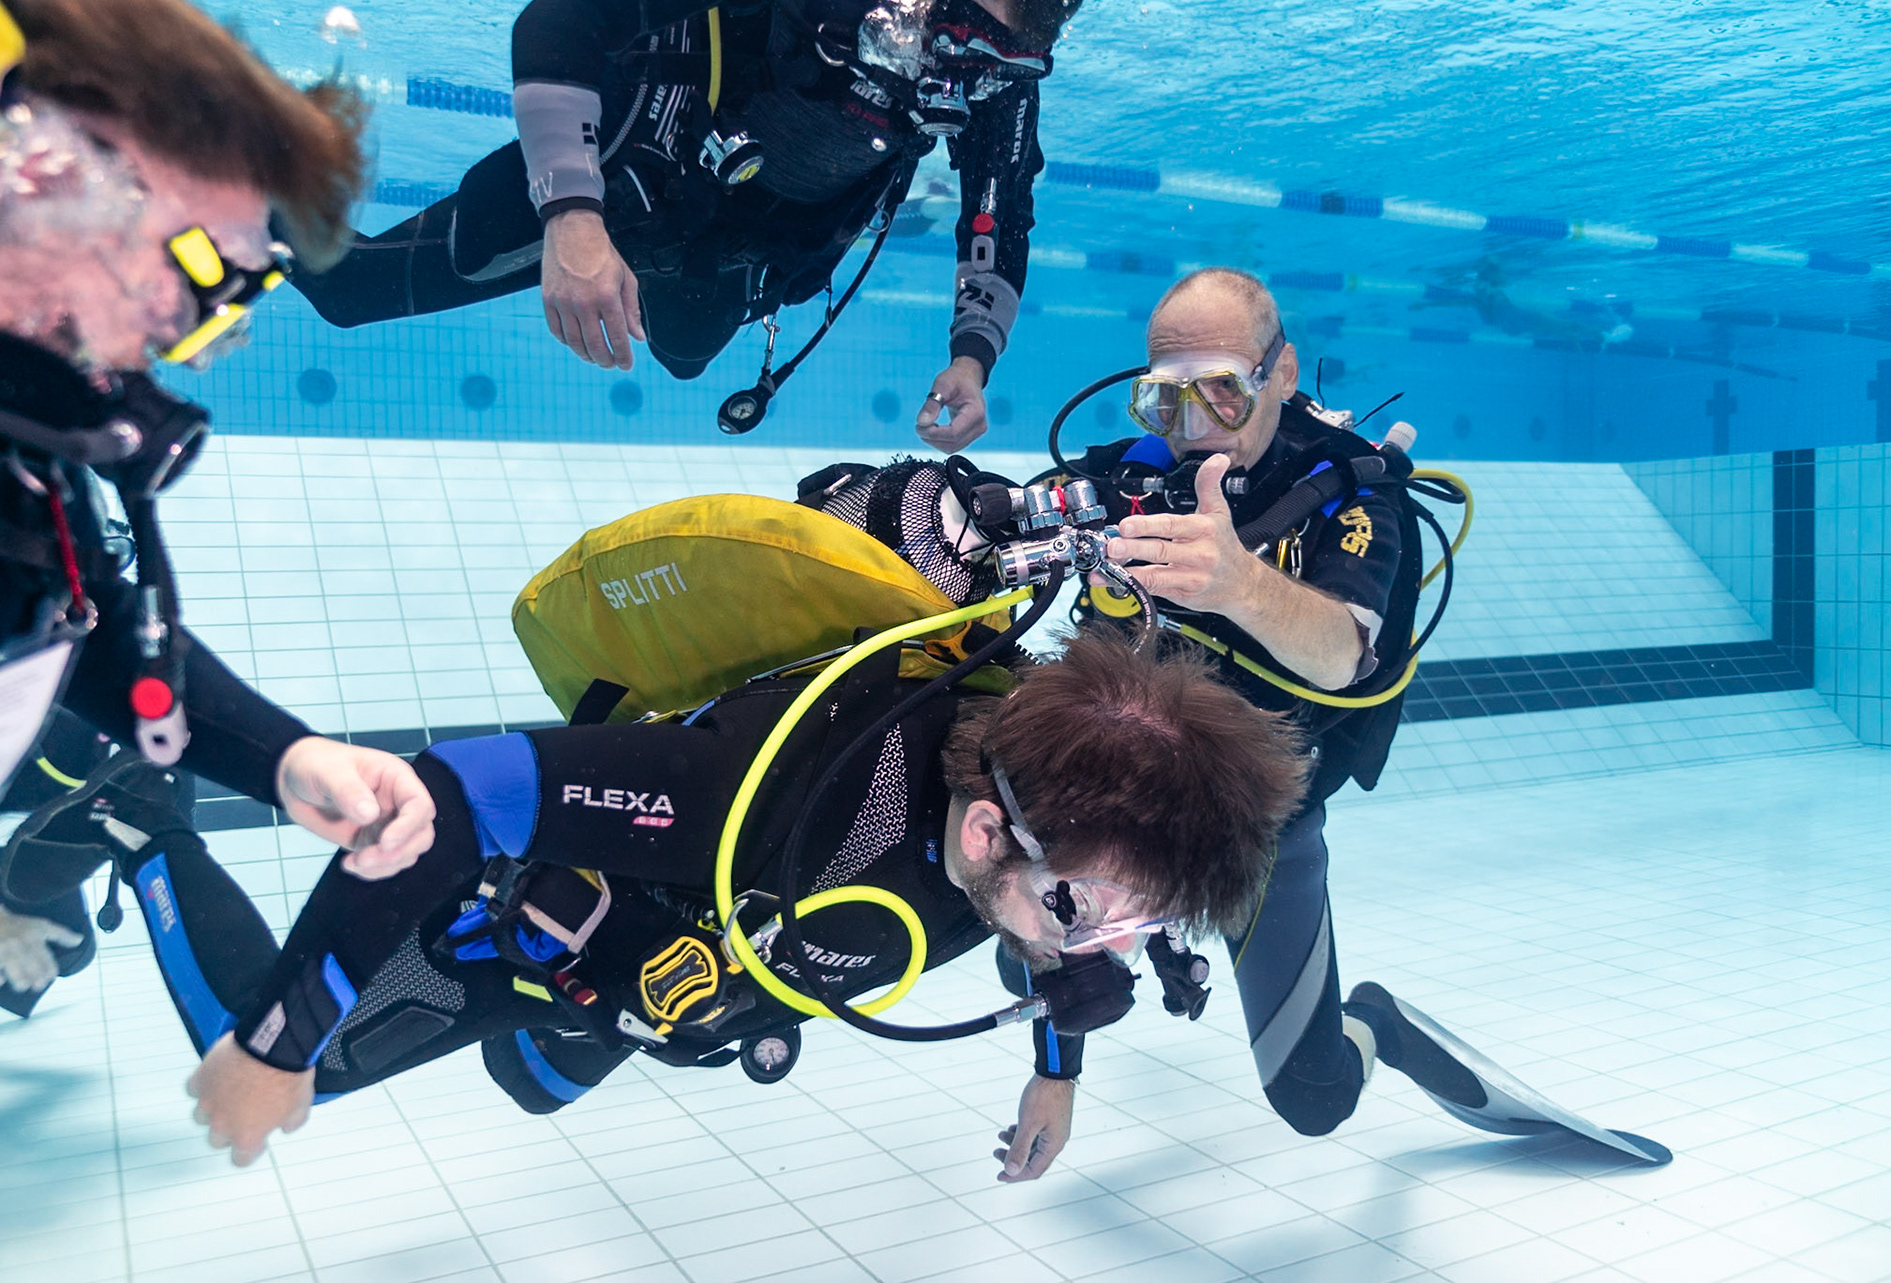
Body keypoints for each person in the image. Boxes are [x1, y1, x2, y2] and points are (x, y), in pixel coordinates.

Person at [0, 628, 1310, 1170]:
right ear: (983, 826)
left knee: (535, 1082)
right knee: (255, 1042)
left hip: (659, 990)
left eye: (1138, 926)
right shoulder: (764, 788)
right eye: (1090, 917)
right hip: (520, 929)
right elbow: (455, 791)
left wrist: (1056, 1063)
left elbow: (1065, 897)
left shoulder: (1036, 811)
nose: (1101, 947)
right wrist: (283, 1040)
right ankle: (139, 816)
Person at [0, 0, 437, 1012]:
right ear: (48, 167)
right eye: (194, 277)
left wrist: (290, 757)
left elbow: (95, 624)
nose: (176, 344)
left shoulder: (29, 454)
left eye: (222, 314)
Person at [1032, 267, 1472, 1147]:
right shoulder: (1125, 480)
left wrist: (1237, 583)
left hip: (1265, 813)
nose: (1193, 427)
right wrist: (1053, 1074)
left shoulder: (1349, 485)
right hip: (1139, 797)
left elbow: (1344, 653)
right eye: (1165, 399)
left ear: (1283, 371)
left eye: (1224, 391)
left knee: (1315, 1100)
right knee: (1023, 876)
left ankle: (1376, 1024)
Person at [292, 0, 1078, 450]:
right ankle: (239, 163)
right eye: (951, 36)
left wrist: (972, 360)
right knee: (349, 291)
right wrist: (572, 219)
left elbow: (1001, 209)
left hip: (747, 251)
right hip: (624, 183)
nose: (952, 78)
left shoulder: (996, 82)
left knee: (683, 360)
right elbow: (557, 26)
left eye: (992, 63)